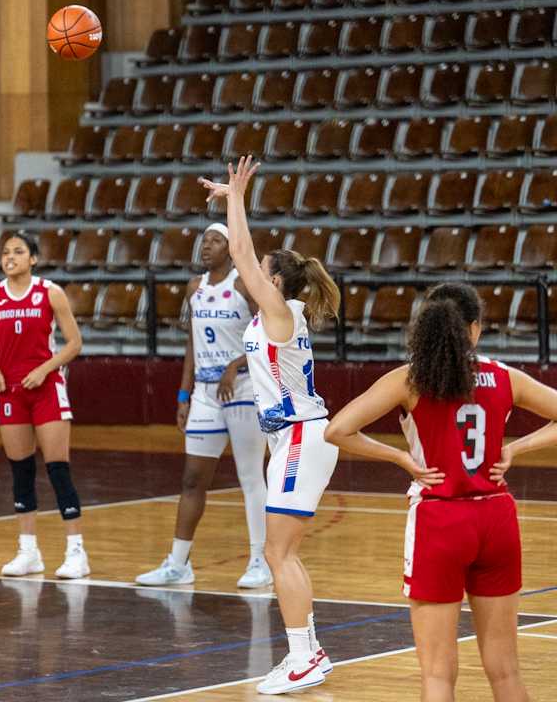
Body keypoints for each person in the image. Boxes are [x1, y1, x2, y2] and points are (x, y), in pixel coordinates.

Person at [325, 282, 557, 702]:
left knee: (437, 676)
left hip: (440, 518)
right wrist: (516, 448)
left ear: (426, 326)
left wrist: (401, 458)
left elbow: (337, 430)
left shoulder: (410, 380)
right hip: (496, 517)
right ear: (475, 328)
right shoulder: (505, 377)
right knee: (506, 672)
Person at [199, 156, 342, 694]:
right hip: (293, 437)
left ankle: (303, 656)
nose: (249, 272)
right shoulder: (274, 316)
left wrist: (236, 199)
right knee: (283, 552)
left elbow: (239, 252)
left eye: (261, 270)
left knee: (277, 553)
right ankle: (309, 651)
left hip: (301, 436)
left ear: (274, 281)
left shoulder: (281, 311)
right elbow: (245, 257)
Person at [135, 222, 271, 590]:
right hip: (205, 394)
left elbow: (268, 333)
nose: (207, 246)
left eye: (216, 240)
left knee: (250, 477)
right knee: (193, 478)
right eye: (205, 240)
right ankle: (179, 564)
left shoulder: (244, 285)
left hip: (243, 389)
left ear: (231, 248)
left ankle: (261, 560)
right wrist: (184, 394)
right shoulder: (194, 287)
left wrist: (236, 365)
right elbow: (192, 344)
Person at [0, 232, 90, 579]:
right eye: (5, 252)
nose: (10, 257)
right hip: (9, 391)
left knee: (58, 468)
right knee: (21, 470)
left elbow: (74, 343)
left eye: (18, 252)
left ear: (33, 259)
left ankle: (76, 552)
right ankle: (28, 551)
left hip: (46, 389)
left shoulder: (50, 292)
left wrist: (45, 369)